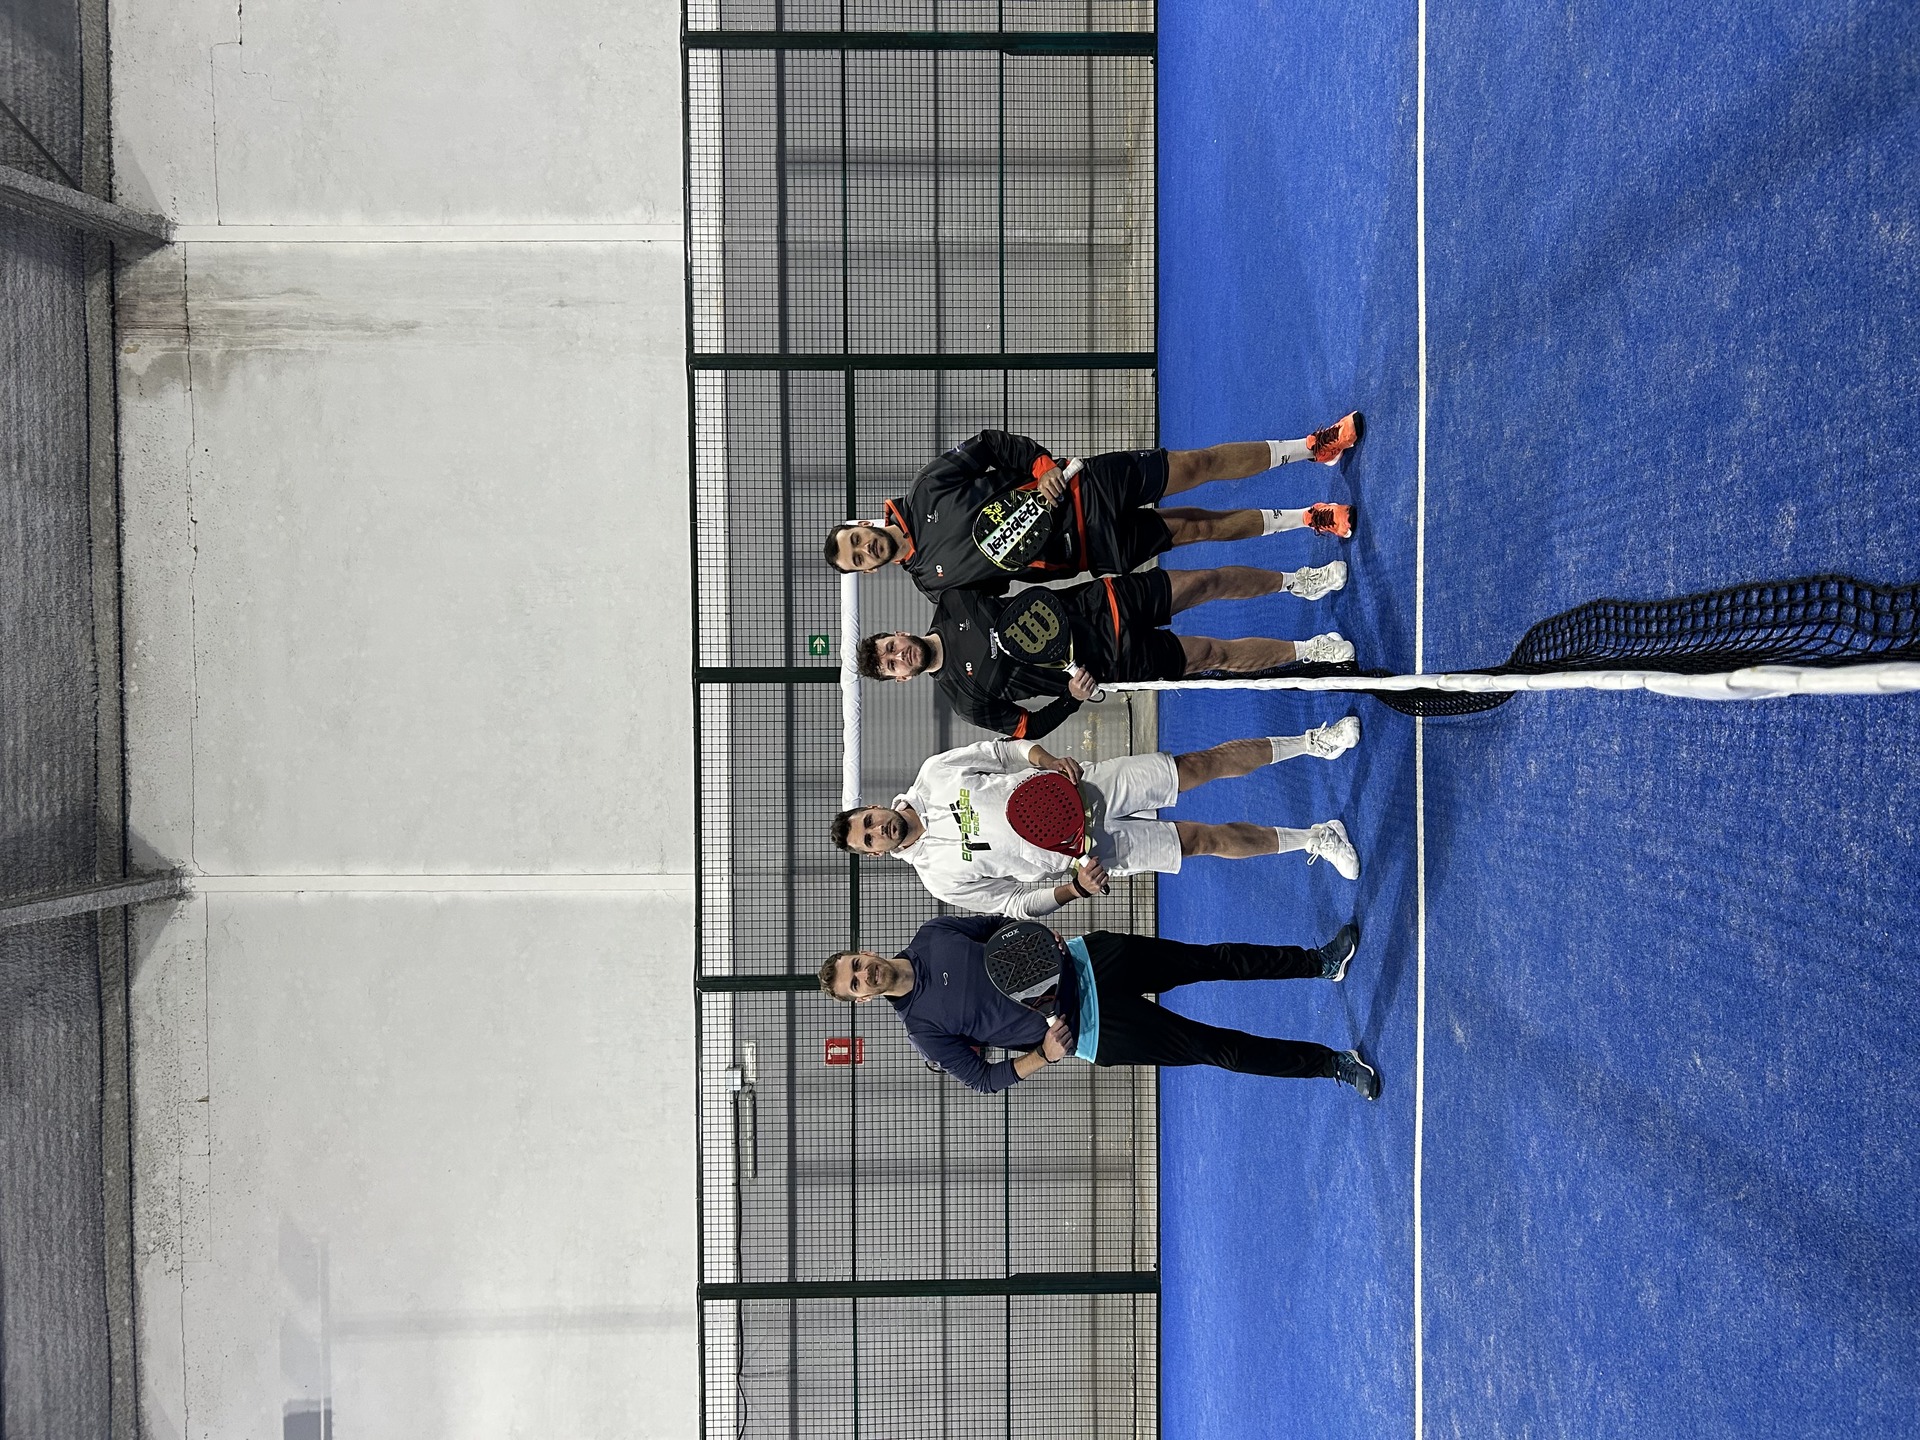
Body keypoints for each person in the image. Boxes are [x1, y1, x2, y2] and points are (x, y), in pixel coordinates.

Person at [817, 915, 1381, 1099]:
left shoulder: (932, 933)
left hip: (1093, 961)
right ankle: (1331, 1065)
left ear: (865, 951)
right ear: (861, 1000)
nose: (866, 975)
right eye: (857, 984)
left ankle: (1318, 962)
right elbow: (985, 1079)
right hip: (1091, 1030)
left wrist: (1039, 937)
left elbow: (998, 928)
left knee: (1212, 959)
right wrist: (1044, 1054)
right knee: (1216, 1049)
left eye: (858, 964)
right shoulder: (922, 1029)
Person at [829, 735, 1362, 919]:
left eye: (869, 821)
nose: (878, 830)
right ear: (874, 853)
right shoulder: (939, 879)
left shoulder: (933, 774)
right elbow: (1014, 903)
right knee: (1203, 841)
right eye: (869, 839)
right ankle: (1316, 837)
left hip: (1086, 787)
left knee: (1197, 766)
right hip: (1091, 852)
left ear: (873, 806)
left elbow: (1001, 753)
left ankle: (1313, 743)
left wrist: (1045, 759)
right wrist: (1075, 889)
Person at [823, 420, 1361, 597]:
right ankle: (1309, 518)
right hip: (1090, 548)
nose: (865, 549)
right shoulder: (934, 586)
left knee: (1196, 465)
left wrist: (1041, 467)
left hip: (1088, 487)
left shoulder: (925, 489)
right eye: (858, 558)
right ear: (867, 571)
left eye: (856, 540)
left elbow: (990, 445)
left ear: (862, 524)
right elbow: (1004, 601)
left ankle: (1309, 447)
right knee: (1198, 529)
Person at [857, 566, 1356, 740]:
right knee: (1212, 654)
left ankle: (1298, 582)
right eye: (891, 664)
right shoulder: (966, 701)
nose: (899, 656)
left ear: (897, 633)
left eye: (890, 647)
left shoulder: (954, 601)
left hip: (1102, 602)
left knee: (1206, 581)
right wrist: (1072, 698)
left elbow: (1018, 568)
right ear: (900, 678)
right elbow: (1029, 727)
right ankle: (1311, 650)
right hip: (1114, 663)